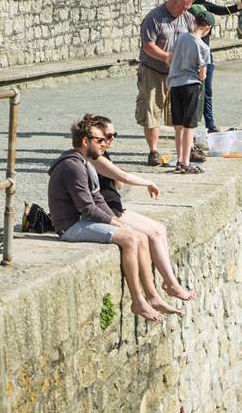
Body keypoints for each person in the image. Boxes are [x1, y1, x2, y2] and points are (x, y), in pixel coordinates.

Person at [47, 115, 177, 322]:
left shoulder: (86, 162)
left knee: (141, 236)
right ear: (85, 141)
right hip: (71, 226)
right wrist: (115, 223)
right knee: (130, 239)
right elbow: (87, 208)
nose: (104, 144)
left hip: (84, 221)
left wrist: (115, 220)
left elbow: (98, 199)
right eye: (100, 140)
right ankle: (138, 301)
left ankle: (152, 296)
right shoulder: (73, 166)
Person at [88, 114, 196, 303]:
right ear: (98, 136)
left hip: (116, 206)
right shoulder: (95, 157)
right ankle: (170, 285)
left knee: (160, 229)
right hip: (107, 211)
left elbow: (118, 184)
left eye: (115, 135)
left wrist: (116, 175)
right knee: (151, 234)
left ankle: (169, 282)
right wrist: (148, 182)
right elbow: (125, 179)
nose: (112, 139)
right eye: (109, 135)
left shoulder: (103, 155)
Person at [137, 0, 195, 166]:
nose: (184, 10)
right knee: (151, 110)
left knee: (181, 114)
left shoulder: (187, 18)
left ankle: (186, 150)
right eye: (182, 6)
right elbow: (148, 46)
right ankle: (153, 151)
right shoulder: (154, 17)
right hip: (153, 71)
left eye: (187, 7)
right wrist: (168, 57)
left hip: (179, 74)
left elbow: (195, 37)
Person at [186, 0, 242, 133]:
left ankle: (210, 124)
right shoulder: (189, 9)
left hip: (206, 56)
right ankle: (187, 126)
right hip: (191, 57)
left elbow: (222, 10)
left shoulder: (204, 5)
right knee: (190, 93)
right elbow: (200, 0)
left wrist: (239, 6)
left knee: (207, 91)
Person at [167, 10, 214, 174]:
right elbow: (202, 75)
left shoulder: (180, 37)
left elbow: (169, 59)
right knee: (189, 126)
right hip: (191, 85)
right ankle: (186, 162)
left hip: (175, 84)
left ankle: (179, 161)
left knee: (178, 126)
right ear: (208, 27)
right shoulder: (203, 47)